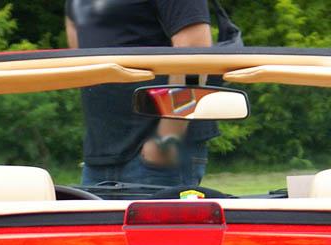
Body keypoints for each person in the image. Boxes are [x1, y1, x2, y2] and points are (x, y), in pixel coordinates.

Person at [65, 0, 218, 188]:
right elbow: (78, 40)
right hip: (99, 154)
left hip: (158, 158)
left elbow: (195, 51)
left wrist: (165, 139)